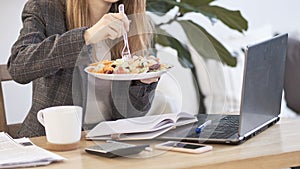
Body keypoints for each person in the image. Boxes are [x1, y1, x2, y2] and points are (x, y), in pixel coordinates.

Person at [8, 0, 158, 138]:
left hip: (106, 143)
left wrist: (142, 84)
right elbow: (18, 66)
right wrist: (86, 36)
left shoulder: (130, 21)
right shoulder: (45, 8)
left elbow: (128, 115)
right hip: (51, 142)